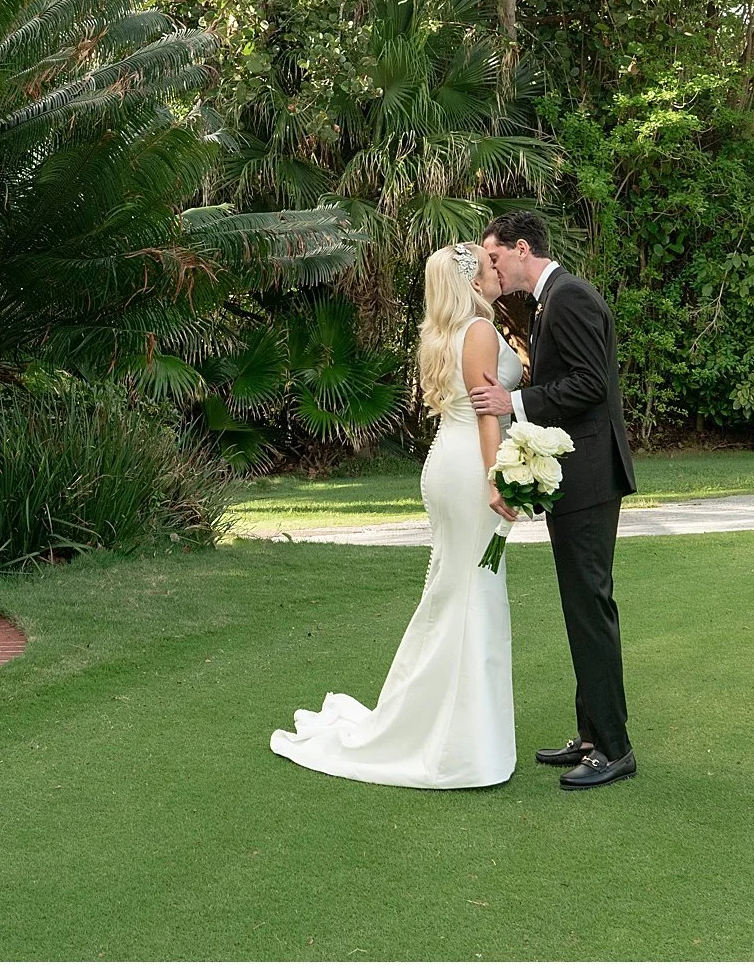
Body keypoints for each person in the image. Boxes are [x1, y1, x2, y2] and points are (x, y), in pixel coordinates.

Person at [269, 243, 521, 788]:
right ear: (472, 281)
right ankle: (458, 741)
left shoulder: (444, 333)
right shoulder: (477, 333)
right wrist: (497, 475)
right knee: (472, 590)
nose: (497, 270)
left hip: (447, 464)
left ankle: (443, 723)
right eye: (488, 265)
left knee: (458, 589)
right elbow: (484, 415)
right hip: (469, 468)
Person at [469, 209, 639, 789]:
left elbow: (592, 385)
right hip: (577, 476)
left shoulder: (569, 298)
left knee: (589, 607)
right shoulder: (550, 301)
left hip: (590, 478)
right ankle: (591, 735)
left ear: (522, 249)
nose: (491, 267)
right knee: (580, 605)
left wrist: (513, 406)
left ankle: (613, 750)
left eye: (494, 257)